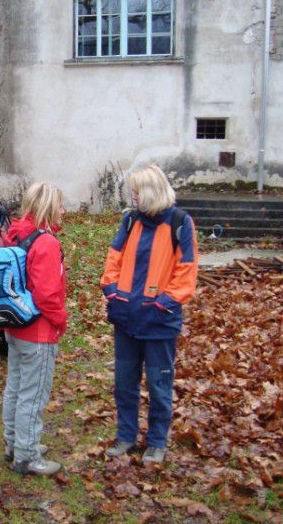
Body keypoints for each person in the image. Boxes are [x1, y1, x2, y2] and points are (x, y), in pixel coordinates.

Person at [100, 164, 198, 464]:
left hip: (159, 323)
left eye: (136, 191)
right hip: (126, 320)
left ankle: (157, 442)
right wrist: (113, 291)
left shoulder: (181, 223)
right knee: (125, 384)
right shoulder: (131, 221)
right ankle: (126, 436)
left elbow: (187, 270)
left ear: (151, 192)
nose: (132, 195)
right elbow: (113, 258)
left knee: (159, 385)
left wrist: (163, 303)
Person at [1, 182, 67, 475]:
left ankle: (14, 442)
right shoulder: (47, 243)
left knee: (15, 388)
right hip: (38, 332)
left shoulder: (16, 234)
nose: (64, 211)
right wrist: (61, 321)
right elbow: (47, 295)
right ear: (49, 206)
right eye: (60, 205)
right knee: (34, 394)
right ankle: (27, 456)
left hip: (14, 326)